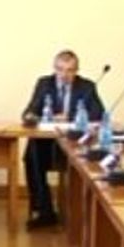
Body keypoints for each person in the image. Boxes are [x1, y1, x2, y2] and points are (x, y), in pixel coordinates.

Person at [21, 49, 103, 229]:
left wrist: (70, 117)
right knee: (31, 153)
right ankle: (44, 210)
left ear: (76, 71)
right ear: (54, 69)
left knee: (85, 160)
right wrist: (32, 117)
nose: (64, 75)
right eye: (60, 70)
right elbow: (30, 111)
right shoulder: (44, 84)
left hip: (76, 143)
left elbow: (98, 114)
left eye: (70, 70)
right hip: (47, 142)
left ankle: (78, 215)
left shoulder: (87, 87)